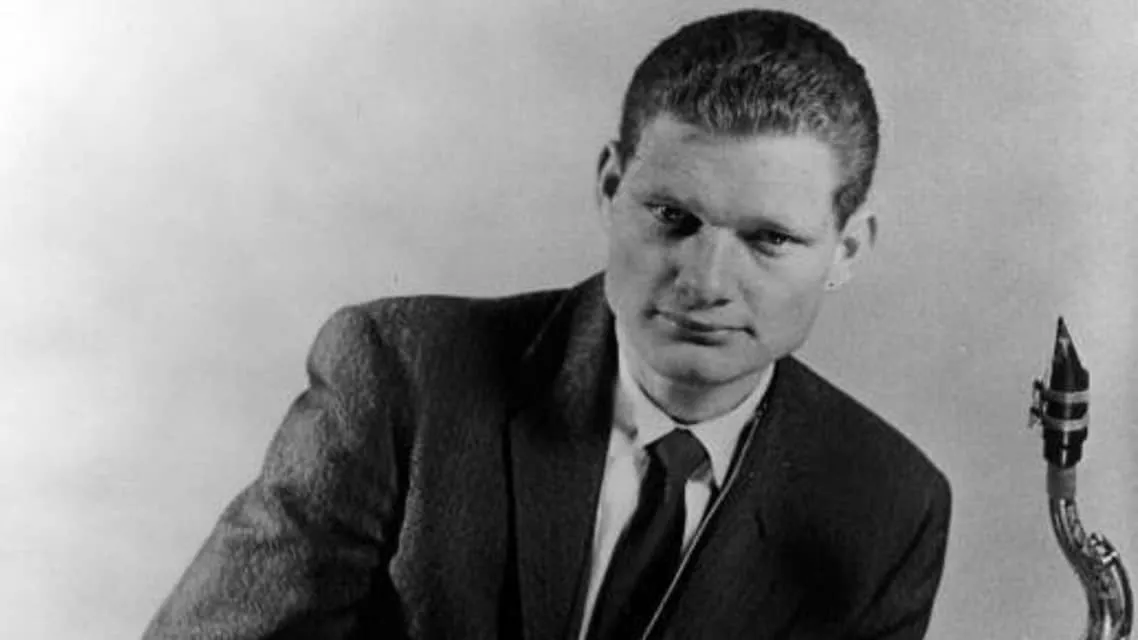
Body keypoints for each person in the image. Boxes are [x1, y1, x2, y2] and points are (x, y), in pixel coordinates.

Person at [144, 9, 951, 640]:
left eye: (768, 239)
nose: (705, 282)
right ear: (610, 187)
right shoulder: (400, 378)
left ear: (847, 249)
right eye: (671, 217)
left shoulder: (889, 505)